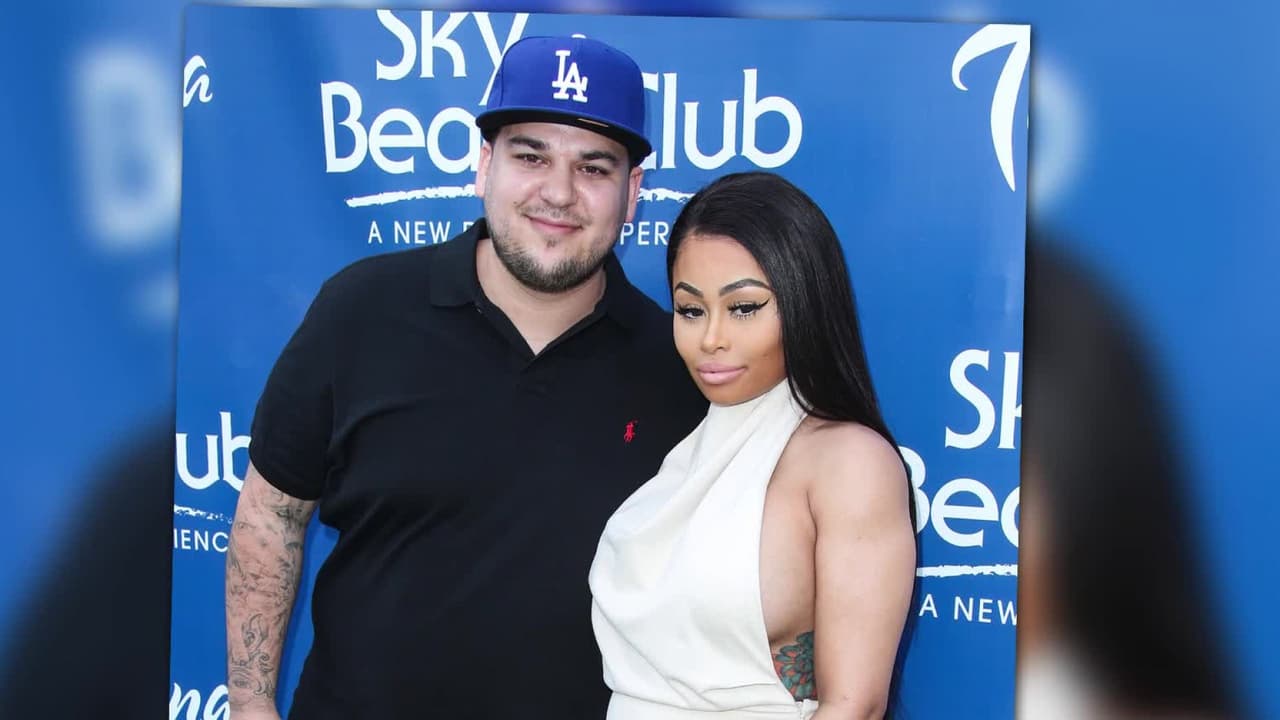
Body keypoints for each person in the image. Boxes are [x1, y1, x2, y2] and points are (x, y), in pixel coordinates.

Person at [225, 36, 706, 720]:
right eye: (530, 156)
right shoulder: (361, 311)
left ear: (632, 195)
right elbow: (271, 515)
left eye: (593, 168)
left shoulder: (678, 365)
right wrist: (249, 707)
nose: (558, 192)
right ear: (484, 166)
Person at [590, 172, 917, 720]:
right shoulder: (678, 449)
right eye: (690, 310)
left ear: (805, 302)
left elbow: (854, 706)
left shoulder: (848, 462)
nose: (711, 338)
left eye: (743, 308)